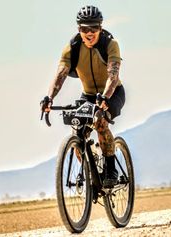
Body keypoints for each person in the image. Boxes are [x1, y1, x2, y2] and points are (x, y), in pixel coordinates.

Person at [41, 5, 125, 188]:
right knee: (77, 131)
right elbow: (60, 75)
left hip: (113, 93)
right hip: (88, 95)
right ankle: (90, 169)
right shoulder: (72, 48)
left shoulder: (110, 44)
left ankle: (111, 169)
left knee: (100, 122)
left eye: (94, 28)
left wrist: (104, 99)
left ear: (100, 28)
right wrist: (49, 98)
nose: (89, 32)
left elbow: (113, 75)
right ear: (79, 29)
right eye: (84, 28)